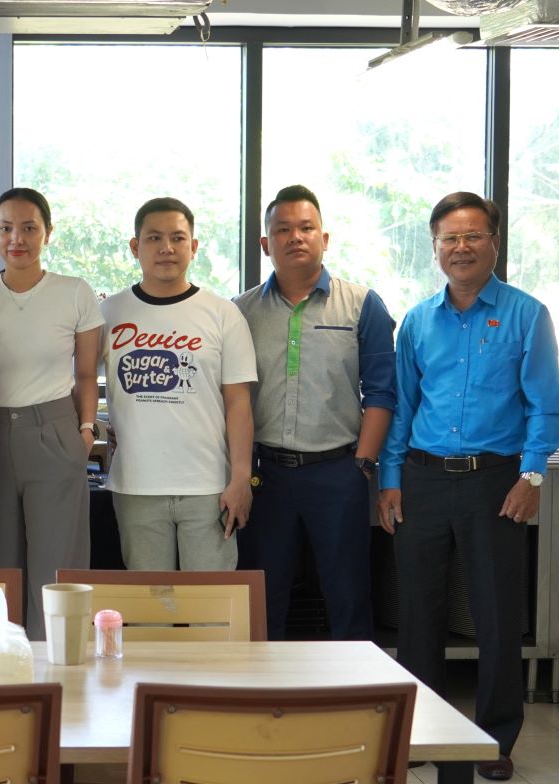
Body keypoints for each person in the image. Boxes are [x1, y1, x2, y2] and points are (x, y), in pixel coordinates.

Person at [377, 192, 559, 782]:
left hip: (497, 481)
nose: (461, 247)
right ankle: (426, 730)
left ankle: (495, 738)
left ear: (493, 244)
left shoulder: (528, 314)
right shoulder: (417, 321)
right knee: (418, 614)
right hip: (423, 479)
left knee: (498, 613)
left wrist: (532, 475)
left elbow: (544, 405)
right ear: (434, 247)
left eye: (473, 236)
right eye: (449, 238)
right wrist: (390, 477)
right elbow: (402, 406)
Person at [233, 184, 395, 641]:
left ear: (325, 238)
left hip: (338, 471)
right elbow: (232, 397)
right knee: (264, 595)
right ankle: (264, 693)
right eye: (282, 229)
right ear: (265, 244)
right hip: (266, 477)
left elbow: (382, 390)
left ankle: (353, 697)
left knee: (347, 593)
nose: (295, 237)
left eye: (306, 228)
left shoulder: (362, 304)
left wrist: (361, 465)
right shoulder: (239, 312)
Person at [0, 187, 103, 639]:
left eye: (28, 228)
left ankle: (62, 668)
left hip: (55, 428)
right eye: (5, 228)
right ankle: (5, 663)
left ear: (47, 233)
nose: (16, 238)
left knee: (58, 562)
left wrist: (84, 430)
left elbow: (85, 375)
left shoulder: (75, 293)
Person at [100, 197, 256, 571]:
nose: (166, 248)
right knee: (151, 613)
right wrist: (100, 427)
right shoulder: (108, 313)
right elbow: (79, 382)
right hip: (136, 486)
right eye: (154, 238)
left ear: (194, 247)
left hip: (209, 488)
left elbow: (238, 403)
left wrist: (240, 479)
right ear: (135, 247)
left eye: (177, 238)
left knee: (212, 615)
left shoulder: (223, 314)